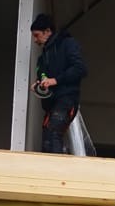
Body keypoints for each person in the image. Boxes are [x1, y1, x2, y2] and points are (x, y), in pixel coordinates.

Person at [28, 13, 87, 153]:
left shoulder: (67, 44)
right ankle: (58, 160)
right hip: (51, 105)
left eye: (36, 35)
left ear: (47, 31)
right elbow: (44, 78)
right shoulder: (42, 59)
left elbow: (80, 69)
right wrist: (39, 86)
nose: (35, 40)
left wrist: (55, 80)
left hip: (66, 100)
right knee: (47, 142)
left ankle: (58, 164)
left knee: (54, 132)